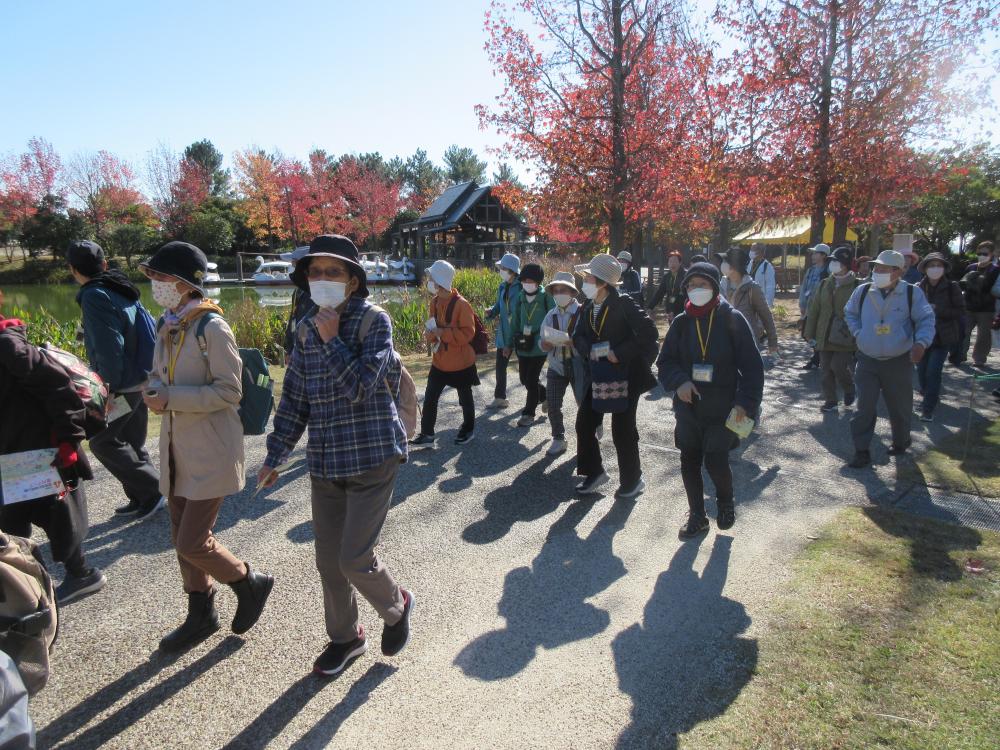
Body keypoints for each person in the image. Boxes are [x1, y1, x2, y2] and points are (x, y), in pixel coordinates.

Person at [259, 234, 412, 676]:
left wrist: (332, 339)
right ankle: (346, 639)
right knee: (328, 561)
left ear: (353, 280)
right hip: (325, 461)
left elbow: (362, 388)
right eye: (315, 271)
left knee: (354, 557)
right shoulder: (304, 328)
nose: (322, 279)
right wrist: (275, 455)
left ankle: (396, 604)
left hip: (372, 457)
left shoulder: (373, 322)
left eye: (334, 271)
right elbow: (296, 399)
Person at [140, 241, 273, 652]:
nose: (155, 284)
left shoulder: (212, 328)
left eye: (161, 278)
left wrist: (170, 397)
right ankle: (201, 614)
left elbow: (229, 392)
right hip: (178, 450)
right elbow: (161, 377)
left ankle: (247, 581)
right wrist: (150, 391)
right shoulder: (168, 323)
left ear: (183, 283)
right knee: (181, 535)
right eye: (153, 277)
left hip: (212, 449)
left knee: (192, 541)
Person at [0, 290, 106, 606]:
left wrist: (68, 441)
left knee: (49, 516)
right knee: (18, 523)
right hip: (15, 452)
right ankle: (44, 587)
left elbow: (59, 387)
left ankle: (68, 581)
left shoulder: (8, 346)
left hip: (38, 452)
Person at [657, 262, 764, 539]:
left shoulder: (732, 319)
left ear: (715, 288)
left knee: (716, 462)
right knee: (689, 461)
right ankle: (697, 516)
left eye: (702, 285)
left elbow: (752, 368)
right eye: (691, 286)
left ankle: (726, 503)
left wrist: (745, 403)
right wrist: (679, 381)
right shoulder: (681, 322)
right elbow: (665, 361)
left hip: (724, 408)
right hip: (688, 409)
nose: (695, 290)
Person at [66, 240, 164, 521]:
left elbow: (109, 347)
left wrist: (106, 389)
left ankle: (152, 491)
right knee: (131, 440)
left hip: (122, 383)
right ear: (104, 265)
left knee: (101, 441)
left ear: (73, 269)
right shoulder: (121, 287)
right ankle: (141, 496)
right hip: (142, 376)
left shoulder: (95, 295)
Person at [572, 253, 659, 498]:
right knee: (584, 423)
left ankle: (632, 480)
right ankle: (594, 472)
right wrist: (588, 350)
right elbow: (578, 335)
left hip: (626, 374)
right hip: (599, 374)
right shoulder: (588, 305)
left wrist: (618, 353)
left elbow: (649, 334)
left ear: (601, 282)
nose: (584, 281)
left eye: (588, 277)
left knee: (622, 429)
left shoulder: (624, 303)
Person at [843, 250, 936, 468]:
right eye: (876, 268)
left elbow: (926, 319)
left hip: (898, 360)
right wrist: (858, 333)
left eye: (883, 268)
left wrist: (921, 343)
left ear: (898, 271)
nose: (877, 271)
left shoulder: (912, 294)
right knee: (863, 408)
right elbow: (849, 313)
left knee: (900, 407)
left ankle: (901, 441)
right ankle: (861, 450)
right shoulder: (863, 291)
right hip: (867, 359)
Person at [410, 260, 479, 447]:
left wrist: (442, 333)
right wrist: (430, 335)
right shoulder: (434, 302)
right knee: (430, 397)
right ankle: (427, 433)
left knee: (465, 398)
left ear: (440, 281)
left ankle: (468, 429)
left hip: (461, 362)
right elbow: (433, 327)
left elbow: (468, 334)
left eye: (431, 278)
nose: (428, 281)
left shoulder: (462, 305)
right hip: (440, 360)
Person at [804, 245, 861, 412]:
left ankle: (849, 388)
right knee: (825, 370)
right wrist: (809, 332)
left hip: (844, 336)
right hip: (824, 333)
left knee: (838, 366)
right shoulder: (824, 284)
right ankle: (831, 400)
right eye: (832, 261)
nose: (833, 264)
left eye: (837, 261)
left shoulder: (857, 285)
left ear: (845, 265)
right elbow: (814, 309)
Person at [916, 253, 965, 422]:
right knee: (921, 372)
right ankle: (929, 395)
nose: (935, 268)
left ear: (944, 268)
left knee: (933, 371)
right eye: (931, 265)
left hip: (942, 337)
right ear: (925, 268)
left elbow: (960, 310)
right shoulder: (918, 287)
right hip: (922, 337)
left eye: (938, 265)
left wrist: (938, 310)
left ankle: (928, 407)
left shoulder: (952, 287)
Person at [539, 272, 583, 456]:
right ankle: (559, 438)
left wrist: (574, 341)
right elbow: (541, 341)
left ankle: (587, 437)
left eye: (562, 290)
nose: (558, 294)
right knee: (554, 403)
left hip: (578, 365)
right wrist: (544, 344)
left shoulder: (582, 312)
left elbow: (589, 339)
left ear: (572, 292)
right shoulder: (551, 314)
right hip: (556, 364)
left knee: (584, 404)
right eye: (555, 291)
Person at [509, 263, 554, 427]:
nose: (526, 283)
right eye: (524, 280)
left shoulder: (546, 297)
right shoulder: (520, 297)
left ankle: (528, 413)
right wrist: (508, 344)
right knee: (524, 379)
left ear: (538, 281)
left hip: (540, 346)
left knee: (531, 378)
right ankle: (544, 395)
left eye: (530, 280)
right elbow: (515, 321)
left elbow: (553, 320)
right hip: (523, 345)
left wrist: (551, 339)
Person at [721, 248, 778, 359]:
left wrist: (773, 342)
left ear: (734, 266)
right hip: (724, 341)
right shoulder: (721, 285)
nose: (722, 264)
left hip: (747, 342)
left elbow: (766, 316)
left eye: (725, 261)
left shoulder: (753, 288)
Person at [484, 252, 522, 409]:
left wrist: (511, 342)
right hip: (504, 332)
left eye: (502, 268)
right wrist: (491, 312)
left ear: (512, 270)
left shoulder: (522, 287)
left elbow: (520, 313)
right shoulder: (502, 286)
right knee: (500, 367)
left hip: (519, 334)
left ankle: (542, 395)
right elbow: (500, 306)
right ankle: (500, 398)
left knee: (526, 371)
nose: (500, 270)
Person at [959, 241, 999, 369]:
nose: (981, 255)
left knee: (983, 336)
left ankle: (979, 359)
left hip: (986, 308)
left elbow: (994, 289)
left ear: (992, 254)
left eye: (985, 253)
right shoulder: (970, 267)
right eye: (979, 253)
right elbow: (962, 284)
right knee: (963, 331)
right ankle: (960, 354)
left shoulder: (996, 270)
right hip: (968, 306)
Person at [798, 243, 830, 369]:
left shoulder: (828, 271)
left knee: (819, 333)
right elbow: (804, 288)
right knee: (806, 333)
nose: (813, 255)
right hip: (809, 308)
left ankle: (817, 357)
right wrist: (802, 304)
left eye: (816, 253)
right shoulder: (810, 270)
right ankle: (817, 354)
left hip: (822, 309)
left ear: (823, 255)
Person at [281, 245, 314, 364]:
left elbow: (308, 327)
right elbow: (293, 321)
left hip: (307, 357)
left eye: (294, 264)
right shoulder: (298, 291)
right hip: (295, 353)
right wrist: (289, 349)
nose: (292, 266)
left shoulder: (315, 293)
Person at [646, 251, 686, 320]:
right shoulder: (667, 277)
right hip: (670, 311)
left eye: (675, 261)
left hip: (683, 312)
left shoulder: (686, 276)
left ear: (680, 263)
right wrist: (650, 307)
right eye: (670, 261)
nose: (672, 264)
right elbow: (659, 293)